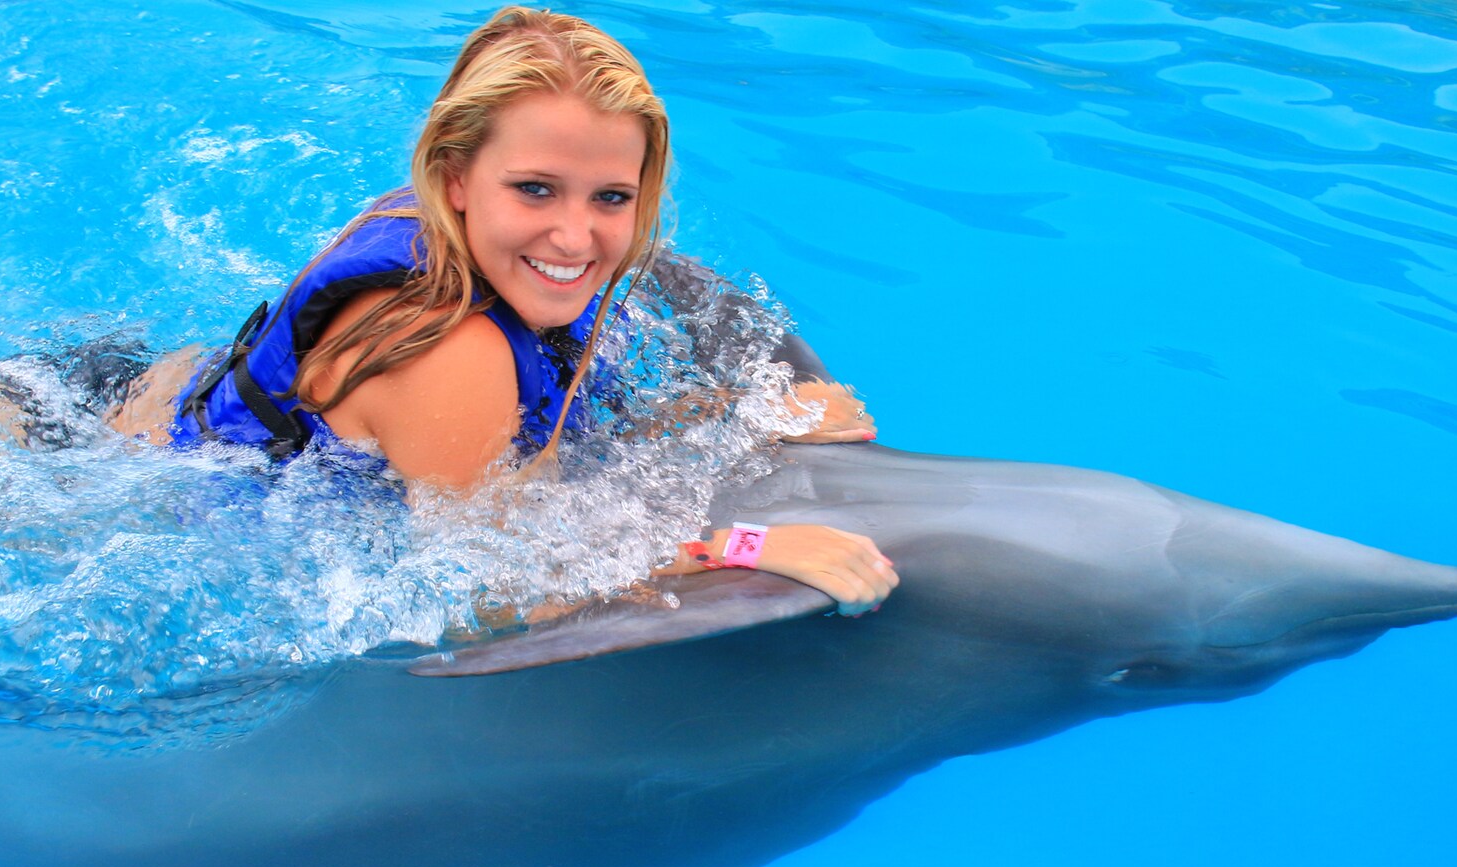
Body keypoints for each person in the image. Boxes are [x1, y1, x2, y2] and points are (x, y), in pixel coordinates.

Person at [103, 6, 897, 615]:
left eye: (611, 198)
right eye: (535, 189)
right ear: (454, 179)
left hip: (147, 384)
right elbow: (483, 594)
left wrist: (742, 415)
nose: (575, 237)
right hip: (120, 489)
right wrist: (742, 548)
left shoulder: (502, 259)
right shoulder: (444, 350)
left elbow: (553, 461)